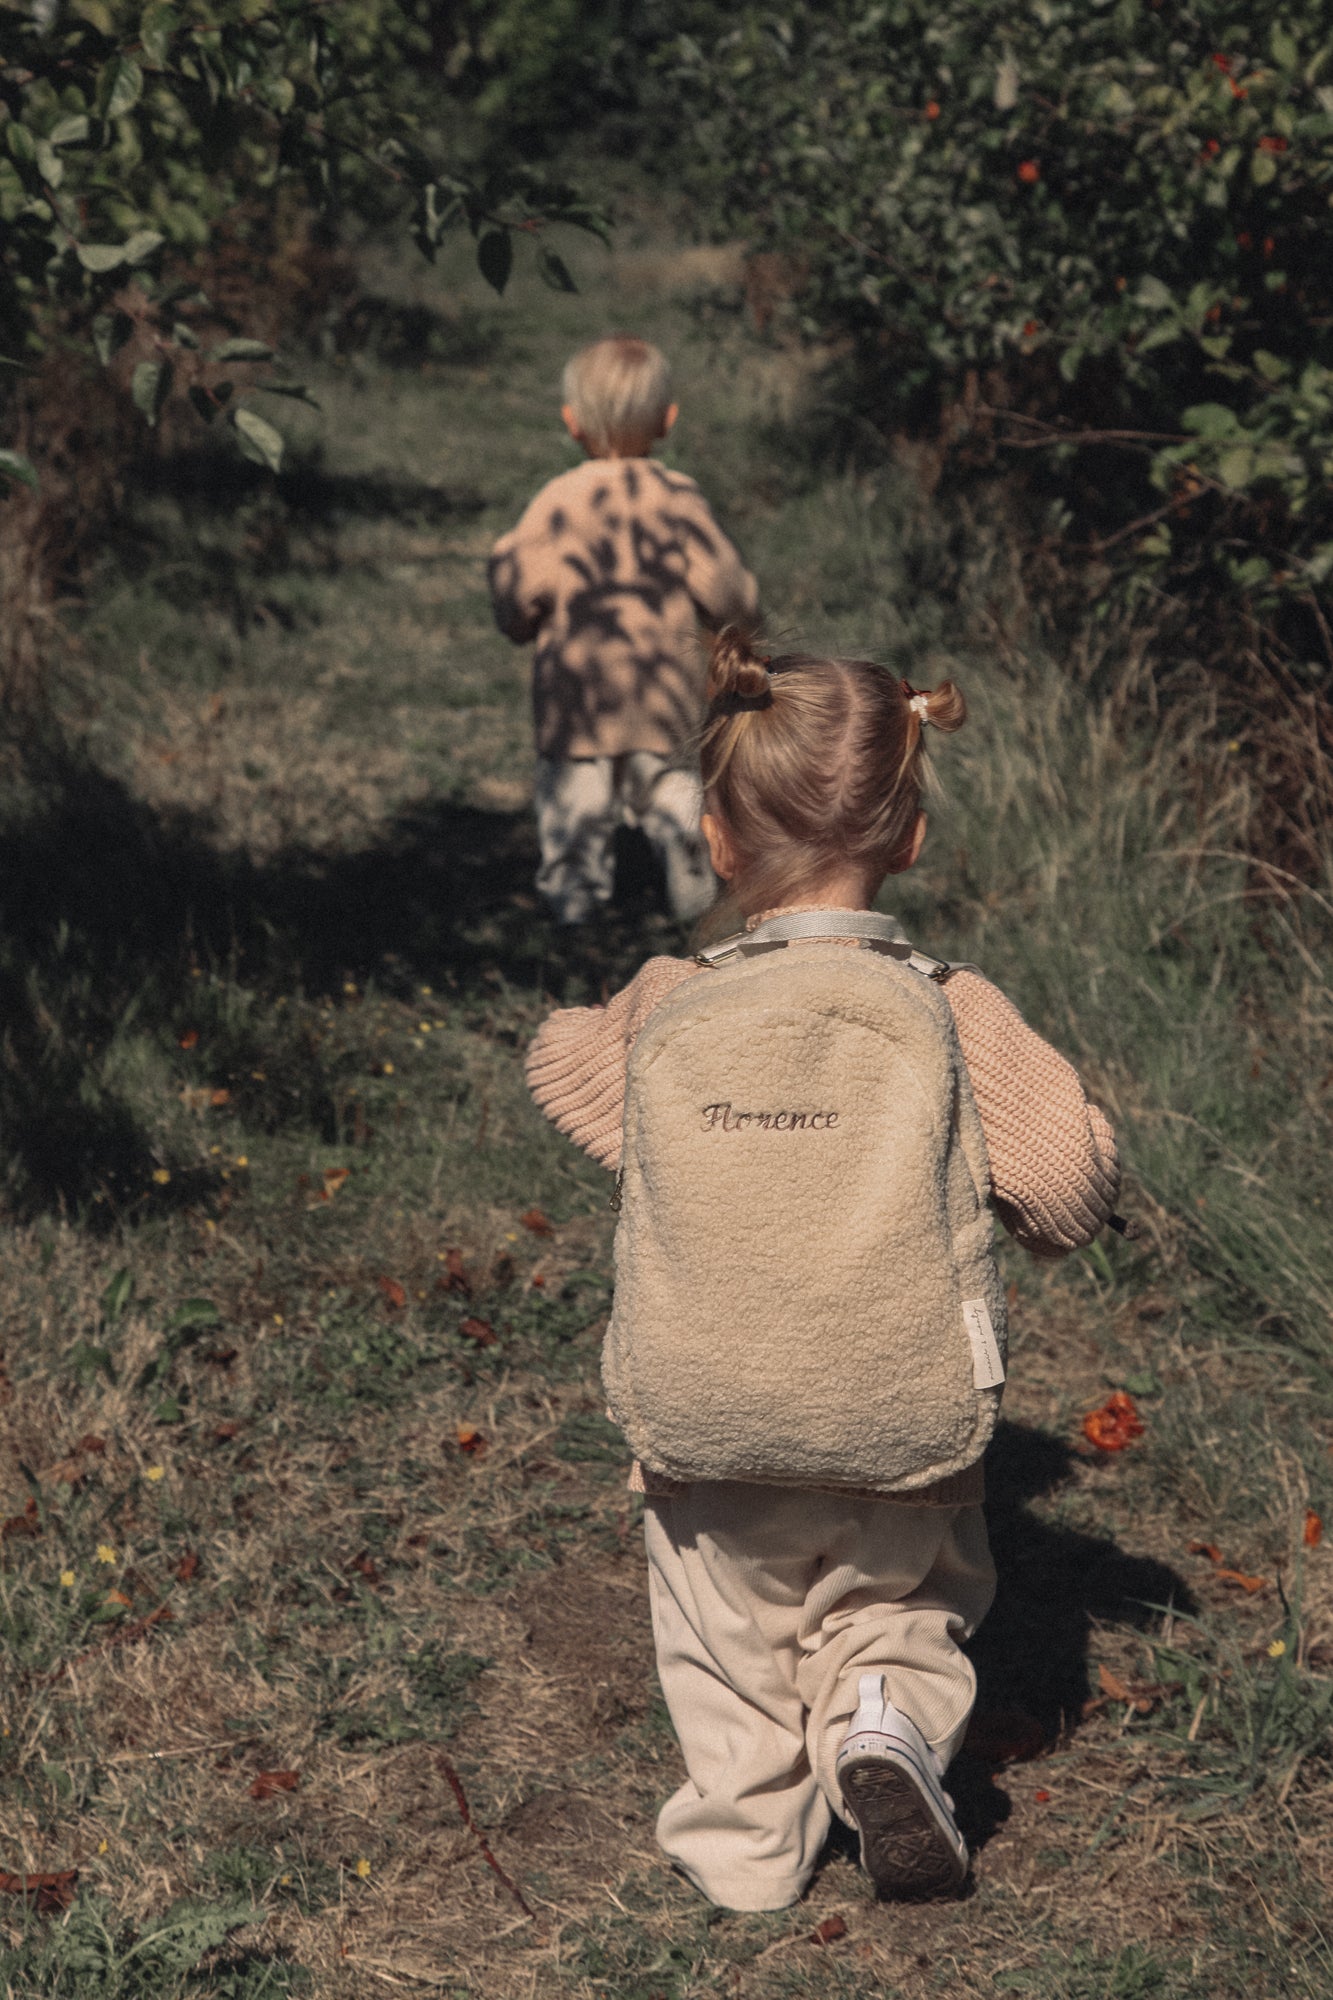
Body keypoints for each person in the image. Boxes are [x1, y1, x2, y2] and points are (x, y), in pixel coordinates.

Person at [524, 630, 1121, 1912]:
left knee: (722, 1632)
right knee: (904, 1592)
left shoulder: (668, 997)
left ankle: (743, 1853)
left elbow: (565, 1074)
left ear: (715, 835)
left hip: (702, 1409)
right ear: (908, 838)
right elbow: (1068, 1185)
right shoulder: (956, 1007)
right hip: (897, 1405)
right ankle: (878, 1714)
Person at [488, 336, 759, 926]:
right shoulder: (679, 498)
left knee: (575, 808)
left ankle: (574, 910)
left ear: (571, 423)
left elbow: (518, 591)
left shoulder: (557, 501)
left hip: (576, 702)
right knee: (677, 795)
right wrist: (743, 626)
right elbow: (728, 590)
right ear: (668, 420)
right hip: (664, 697)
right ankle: (696, 901)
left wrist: (515, 616)